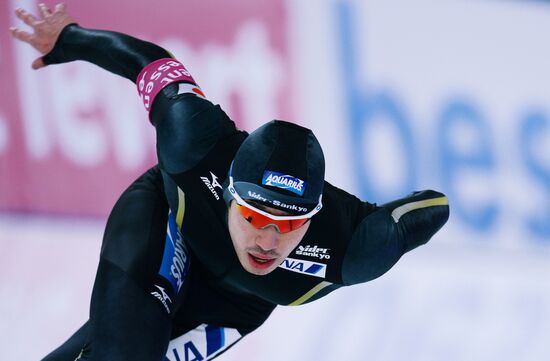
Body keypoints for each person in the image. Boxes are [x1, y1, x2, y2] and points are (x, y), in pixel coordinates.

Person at [10, 4, 450, 361]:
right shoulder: (194, 140)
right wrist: (71, 39)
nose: (268, 239)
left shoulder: (353, 246)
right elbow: (149, 64)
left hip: (235, 304)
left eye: (291, 224)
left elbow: (435, 207)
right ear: (229, 193)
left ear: (312, 218)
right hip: (168, 225)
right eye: (256, 215)